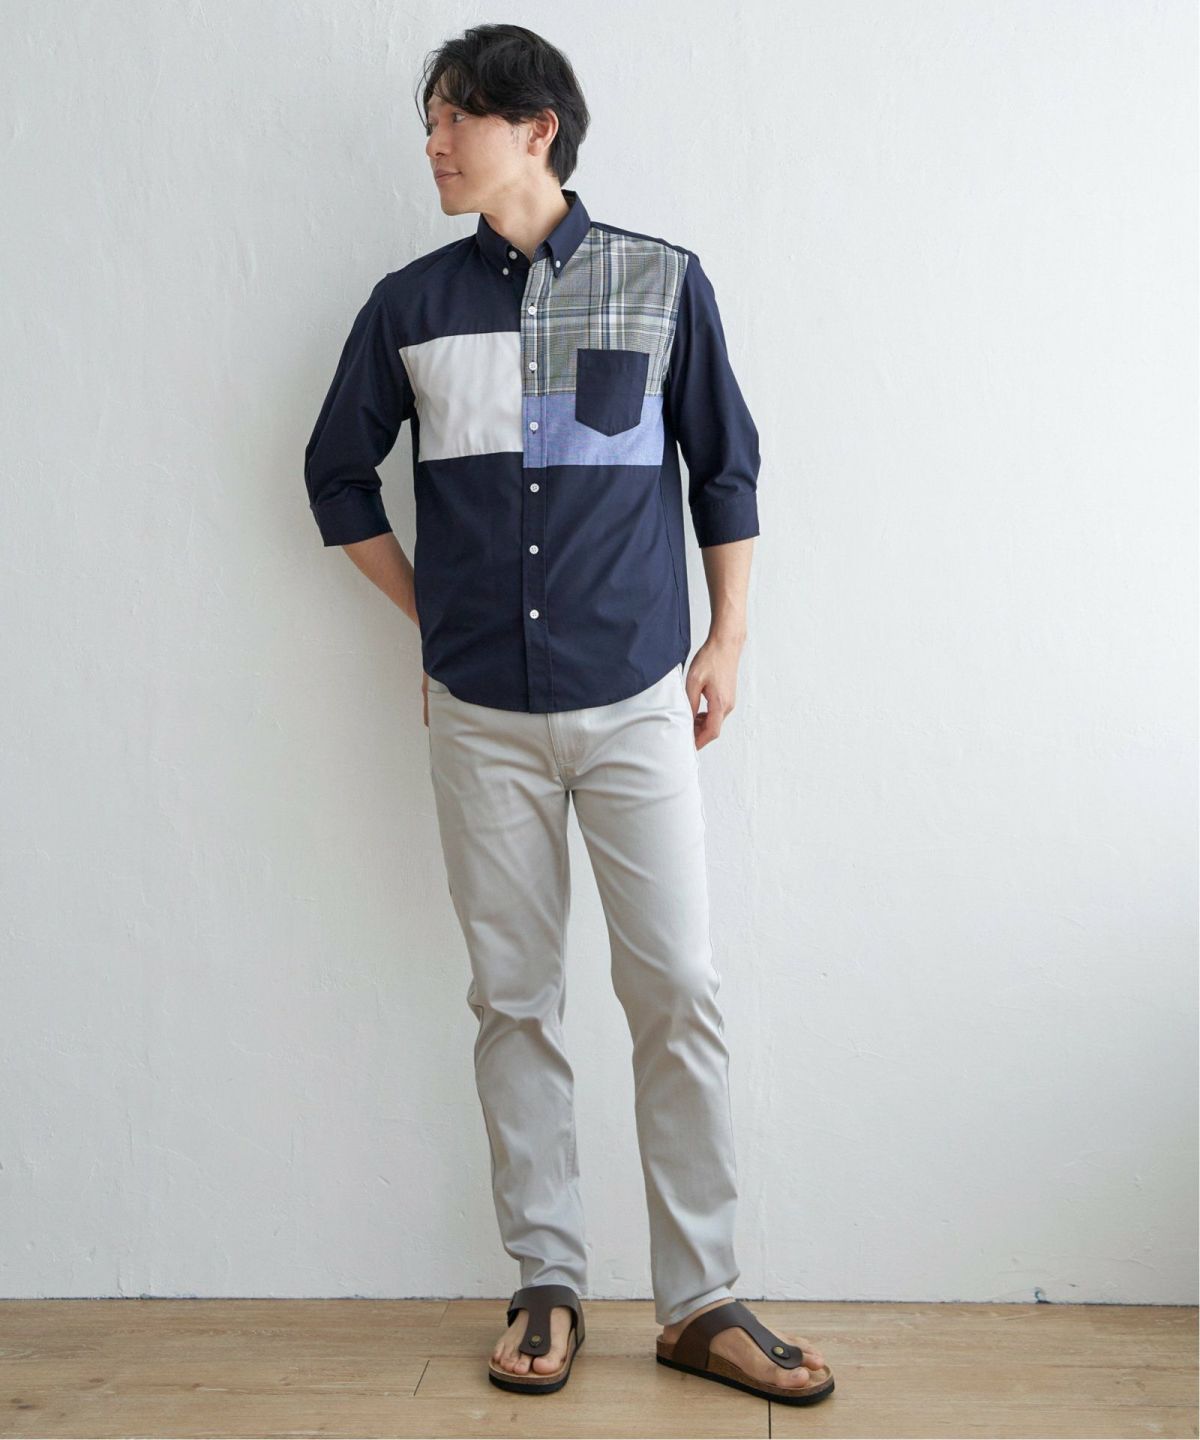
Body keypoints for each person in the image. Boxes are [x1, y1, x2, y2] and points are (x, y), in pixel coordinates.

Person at [303, 22, 834, 1408]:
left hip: (638, 701)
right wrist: (432, 616)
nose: (432, 143)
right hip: (480, 714)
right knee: (514, 1000)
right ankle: (547, 1280)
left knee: (678, 991)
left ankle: (701, 1299)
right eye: (429, 122)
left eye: (453, 118)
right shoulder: (408, 306)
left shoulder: (664, 282)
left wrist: (727, 637)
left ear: (534, 128)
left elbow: (726, 468)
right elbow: (334, 476)